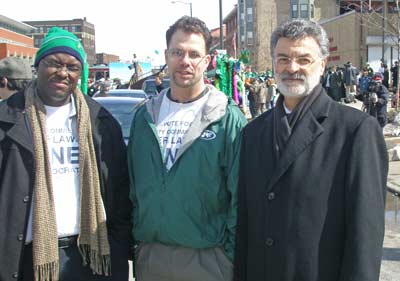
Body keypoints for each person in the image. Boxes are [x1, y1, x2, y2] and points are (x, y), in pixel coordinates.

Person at [234, 19, 388, 281]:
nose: (292, 68)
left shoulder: (356, 131)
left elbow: (365, 236)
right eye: (283, 58)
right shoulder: (252, 133)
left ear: (322, 63)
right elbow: (246, 227)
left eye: (303, 59)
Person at [0, 27, 131, 281]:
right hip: (28, 260)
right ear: (37, 67)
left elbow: (121, 193)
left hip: (91, 257)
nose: (63, 72)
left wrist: (117, 250)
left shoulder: (102, 123)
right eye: (54, 63)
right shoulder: (8, 119)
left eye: (72, 66)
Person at [128, 16, 247, 281]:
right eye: (177, 52)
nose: (185, 61)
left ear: (206, 62)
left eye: (194, 54)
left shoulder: (226, 118)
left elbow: (240, 196)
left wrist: (226, 257)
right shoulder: (144, 117)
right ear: (167, 56)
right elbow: (132, 187)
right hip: (151, 257)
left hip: (207, 259)